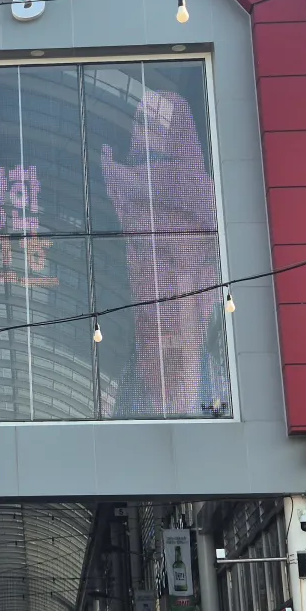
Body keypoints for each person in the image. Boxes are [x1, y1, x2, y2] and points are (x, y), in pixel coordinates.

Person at [98, 87, 224, 418]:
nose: (151, 279)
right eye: (139, 251)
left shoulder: (226, 395)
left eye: (167, 259)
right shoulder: (123, 397)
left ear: (207, 282)